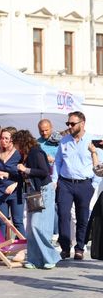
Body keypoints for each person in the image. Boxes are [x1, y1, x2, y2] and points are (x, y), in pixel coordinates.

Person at [54, 111, 100, 260]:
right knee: (63, 214)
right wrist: (55, 180)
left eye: (73, 123)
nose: (70, 126)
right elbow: (58, 162)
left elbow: (99, 165)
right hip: (65, 183)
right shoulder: (64, 141)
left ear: (82, 123)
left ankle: (80, 247)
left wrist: (94, 184)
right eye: (68, 123)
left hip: (84, 184)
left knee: (82, 217)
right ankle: (65, 248)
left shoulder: (91, 141)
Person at [14, 130, 61, 269]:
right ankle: (34, 259)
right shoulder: (26, 154)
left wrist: (26, 169)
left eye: (16, 143)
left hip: (43, 191)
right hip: (33, 192)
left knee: (39, 226)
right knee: (31, 228)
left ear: (22, 142)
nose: (15, 147)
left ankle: (50, 257)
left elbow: (44, 171)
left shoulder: (36, 152)